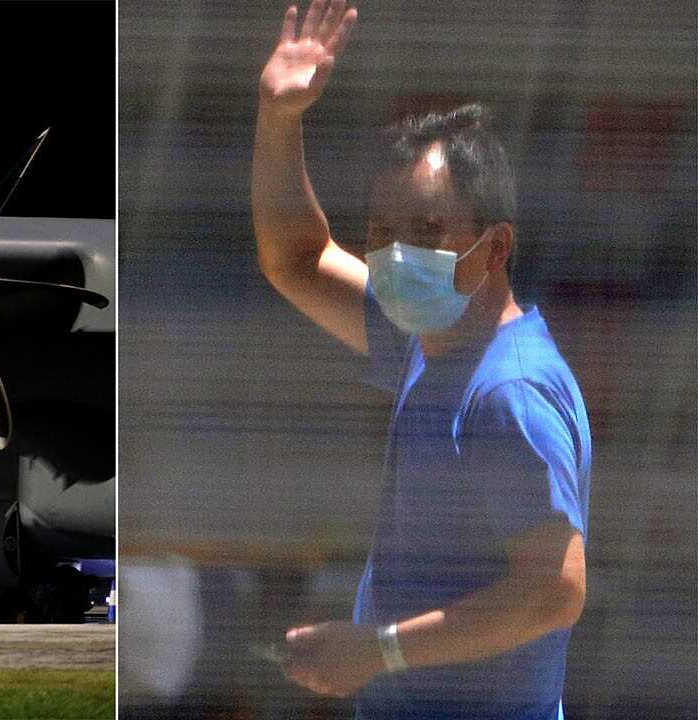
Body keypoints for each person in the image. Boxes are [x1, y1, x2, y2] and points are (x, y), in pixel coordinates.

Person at [251, 2, 592, 719]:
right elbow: (298, 257)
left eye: (428, 230)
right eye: (382, 232)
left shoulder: (509, 392)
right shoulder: (428, 337)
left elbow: (555, 591)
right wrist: (280, 117)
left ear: (494, 248)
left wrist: (379, 650)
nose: (396, 254)